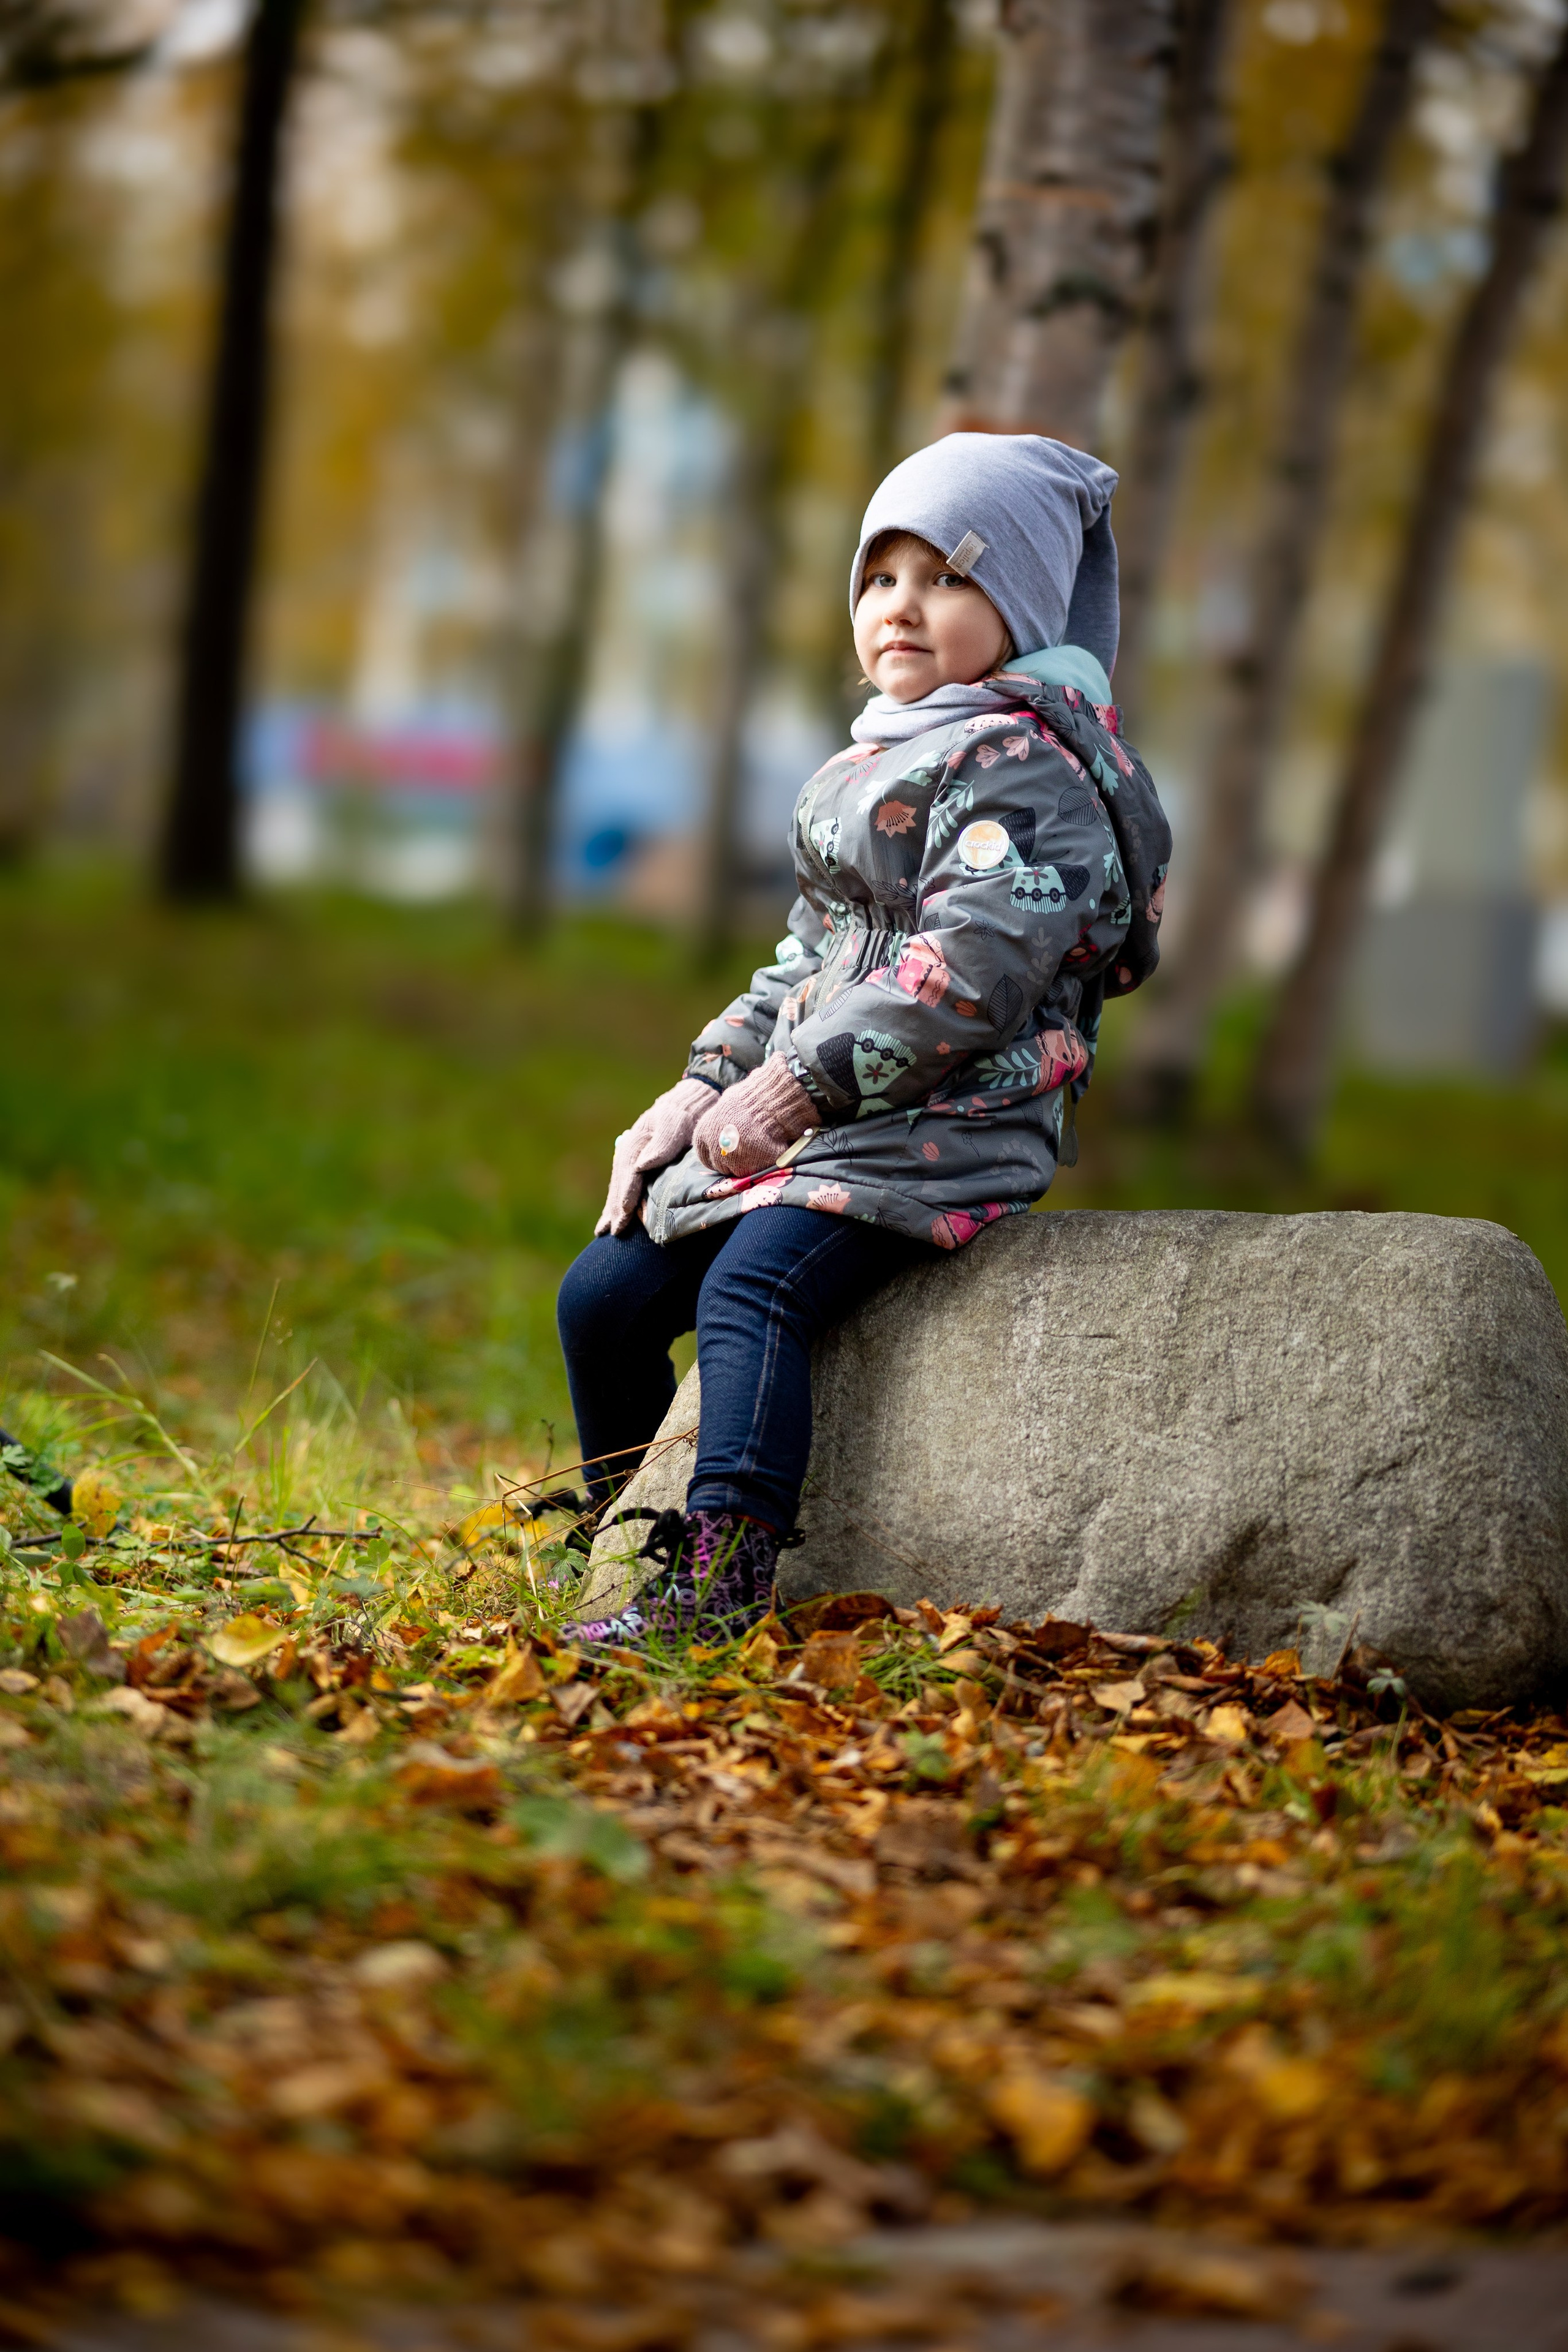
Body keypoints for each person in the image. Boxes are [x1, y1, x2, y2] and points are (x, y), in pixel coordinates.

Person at [556, 431, 1171, 1645]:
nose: (902, 606)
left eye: (946, 577)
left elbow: (967, 982)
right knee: (607, 1289)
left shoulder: (1027, 777)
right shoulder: (870, 761)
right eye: (879, 577)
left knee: (753, 1288)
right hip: (828, 1120)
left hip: (947, 1125)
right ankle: (617, 1529)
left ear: (1022, 603)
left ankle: (723, 1576)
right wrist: (695, 1088)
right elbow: (807, 963)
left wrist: (787, 1093)